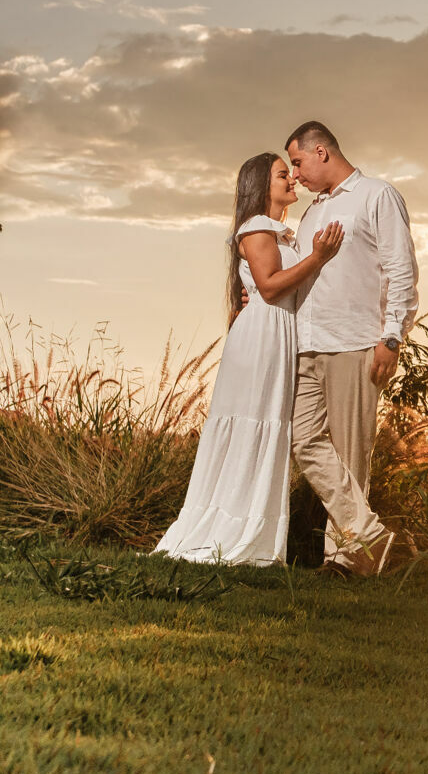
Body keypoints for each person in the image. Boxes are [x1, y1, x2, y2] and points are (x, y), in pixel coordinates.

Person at [153, 152, 383, 571]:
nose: (292, 178)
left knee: (271, 430)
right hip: (263, 338)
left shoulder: (282, 234)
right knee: (252, 426)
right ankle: (230, 527)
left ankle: (256, 529)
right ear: (262, 186)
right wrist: (317, 258)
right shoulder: (258, 227)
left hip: (280, 336)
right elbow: (271, 288)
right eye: (283, 174)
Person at [284, 120, 417, 567]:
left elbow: (401, 270)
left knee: (350, 453)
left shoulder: (377, 195)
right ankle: (372, 537)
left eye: (298, 162)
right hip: (305, 343)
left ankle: (344, 559)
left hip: (356, 341)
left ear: (321, 152)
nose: (295, 174)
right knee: (303, 441)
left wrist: (392, 337)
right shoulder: (311, 213)